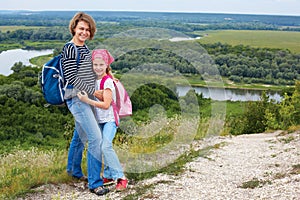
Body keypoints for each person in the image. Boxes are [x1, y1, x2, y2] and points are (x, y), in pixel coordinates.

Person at [61, 12, 109, 196]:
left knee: (79, 137)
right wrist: (95, 92)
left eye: (88, 30)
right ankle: (95, 182)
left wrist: (108, 81)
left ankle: (73, 171)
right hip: (77, 98)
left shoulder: (85, 49)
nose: (84, 32)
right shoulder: (70, 48)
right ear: (74, 28)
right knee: (96, 139)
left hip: (86, 99)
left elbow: (90, 74)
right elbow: (71, 77)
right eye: (81, 28)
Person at [77, 49, 128, 191]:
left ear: (106, 65)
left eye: (101, 65)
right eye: (95, 65)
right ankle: (108, 175)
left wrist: (87, 100)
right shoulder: (94, 80)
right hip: (99, 120)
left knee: (106, 146)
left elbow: (106, 105)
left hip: (110, 120)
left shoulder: (107, 82)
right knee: (100, 147)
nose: (98, 68)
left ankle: (121, 177)